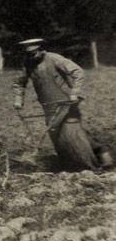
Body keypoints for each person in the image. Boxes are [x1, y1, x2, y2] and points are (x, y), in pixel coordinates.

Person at [12, 38, 110, 170]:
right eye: (28, 54)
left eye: (34, 53)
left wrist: (74, 92)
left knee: (72, 133)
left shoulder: (54, 58)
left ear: (41, 49)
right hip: (48, 105)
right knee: (58, 137)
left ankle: (90, 167)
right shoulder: (28, 63)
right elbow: (19, 82)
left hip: (67, 102)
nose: (31, 56)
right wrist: (18, 100)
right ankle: (90, 157)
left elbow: (78, 71)